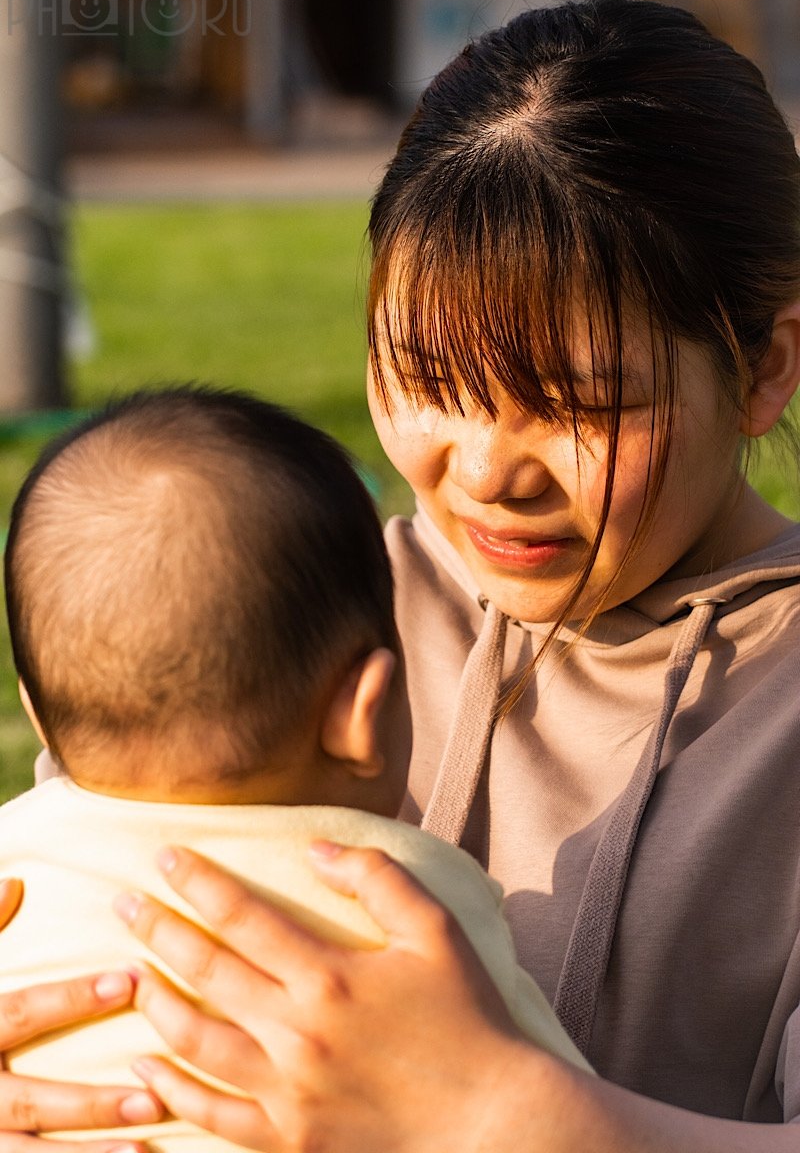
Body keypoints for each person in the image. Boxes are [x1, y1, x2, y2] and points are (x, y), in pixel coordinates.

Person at [0, 0, 799, 1153]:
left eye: (578, 405)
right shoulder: (295, 612)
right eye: (423, 381)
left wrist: (499, 1115)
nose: (482, 473)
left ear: (765, 367)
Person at [0, 386, 588, 1151]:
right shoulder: (412, 901)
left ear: (35, 714)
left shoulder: (19, 856)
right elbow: (559, 1113)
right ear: (362, 709)